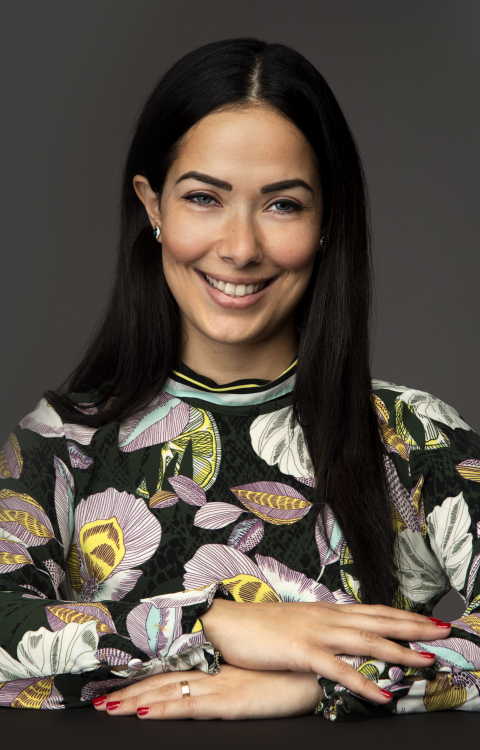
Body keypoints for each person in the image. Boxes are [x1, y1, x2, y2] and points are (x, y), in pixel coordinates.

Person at [1, 37, 479, 722]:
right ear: (153, 206)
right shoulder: (61, 443)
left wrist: (319, 685)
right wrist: (216, 622)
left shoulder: (413, 437)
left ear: (326, 220)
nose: (240, 248)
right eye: (204, 198)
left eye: (282, 205)